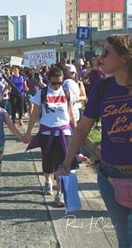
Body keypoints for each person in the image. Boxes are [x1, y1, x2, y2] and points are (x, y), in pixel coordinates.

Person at [57, 34, 131, 247]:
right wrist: (66, 163)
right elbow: (81, 129)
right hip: (110, 178)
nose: (101, 57)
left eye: (107, 52)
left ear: (125, 57)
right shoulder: (101, 88)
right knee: (124, 239)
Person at [23, 66, 76, 207]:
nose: (57, 85)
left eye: (60, 82)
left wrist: (76, 131)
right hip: (46, 132)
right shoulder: (42, 93)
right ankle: (48, 180)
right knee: (47, 161)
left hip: (64, 132)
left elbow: (70, 113)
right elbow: (34, 114)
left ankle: (60, 192)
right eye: (54, 83)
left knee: (63, 163)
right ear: (48, 80)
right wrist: (28, 132)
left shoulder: (67, 92)